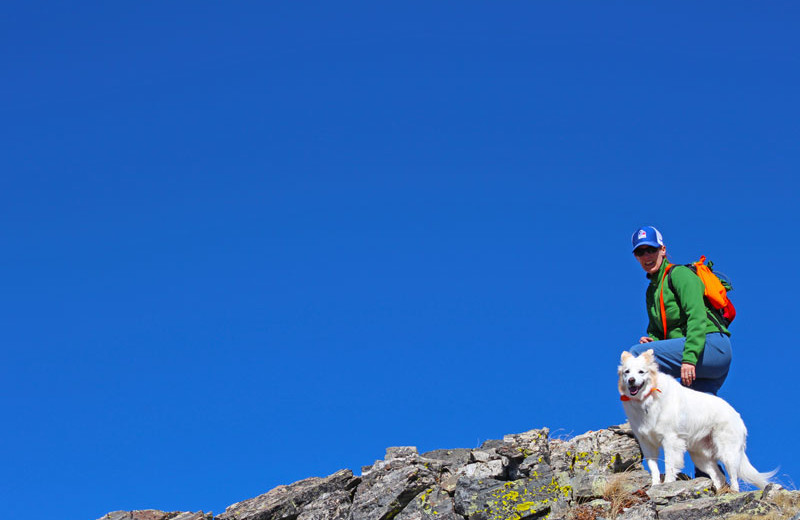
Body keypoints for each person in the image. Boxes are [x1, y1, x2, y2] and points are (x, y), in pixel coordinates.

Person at [628, 226, 732, 396]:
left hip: (711, 346)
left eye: (651, 249)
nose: (647, 256)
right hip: (699, 354)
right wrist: (651, 339)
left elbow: (696, 316)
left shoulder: (680, 275)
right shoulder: (652, 291)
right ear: (636, 257)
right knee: (692, 415)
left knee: (638, 358)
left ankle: (642, 421)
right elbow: (656, 330)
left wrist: (690, 358)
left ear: (663, 250)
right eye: (641, 252)